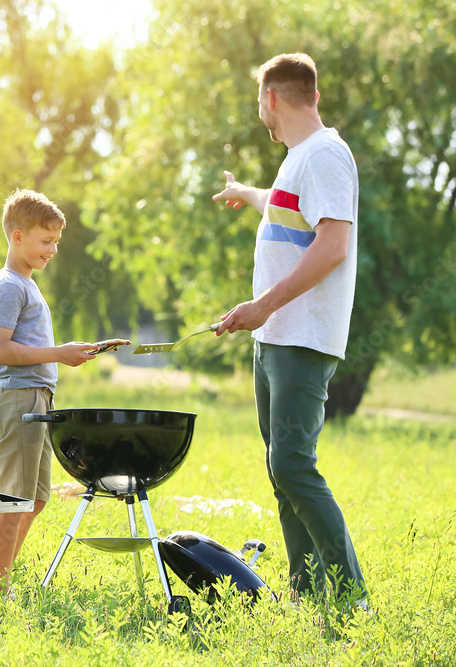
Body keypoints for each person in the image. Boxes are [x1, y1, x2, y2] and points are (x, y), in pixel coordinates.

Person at [212, 53, 366, 604]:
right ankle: (307, 594)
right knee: (282, 471)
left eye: (260, 104)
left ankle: (350, 599)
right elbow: (285, 209)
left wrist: (263, 306)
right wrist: (247, 193)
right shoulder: (301, 158)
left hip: (300, 335)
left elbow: (332, 245)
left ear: (271, 99)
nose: (262, 115)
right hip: (276, 336)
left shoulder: (325, 155)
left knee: (293, 465)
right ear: (313, 96)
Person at [0, 188, 102, 589]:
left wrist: (66, 353)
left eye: (56, 242)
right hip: (18, 400)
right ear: (18, 236)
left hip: (37, 399)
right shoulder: (9, 286)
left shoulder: (27, 283)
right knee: (14, 502)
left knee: (35, 500)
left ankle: (1, 580)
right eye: (46, 241)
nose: (52, 250)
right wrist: (58, 353)